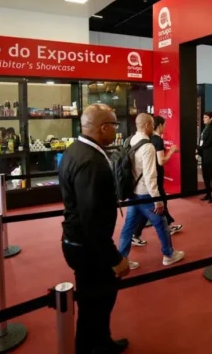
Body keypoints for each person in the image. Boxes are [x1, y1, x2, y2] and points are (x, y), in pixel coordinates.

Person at [58, 104, 129, 354]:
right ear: (104, 128)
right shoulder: (92, 162)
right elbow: (92, 220)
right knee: (96, 304)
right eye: (115, 125)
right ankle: (90, 347)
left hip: (78, 241)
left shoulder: (75, 150)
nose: (116, 129)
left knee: (95, 301)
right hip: (88, 247)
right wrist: (114, 258)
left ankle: (102, 342)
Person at [118, 114, 185, 269]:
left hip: (132, 192)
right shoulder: (148, 147)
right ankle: (169, 255)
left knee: (128, 226)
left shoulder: (129, 141)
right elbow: (150, 176)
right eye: (152, 124)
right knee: (161, 223)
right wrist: (157, 199)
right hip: (145, 193)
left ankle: (122, 260)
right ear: (147, 125)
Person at [131, 116, 182, 247]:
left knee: (142, 212)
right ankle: (168, 249)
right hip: (153, 179)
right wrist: (172, 151)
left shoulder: (144, 139)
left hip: (144, 182)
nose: (165, 127)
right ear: (158, 125)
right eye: (164, 125)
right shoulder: (156, 140)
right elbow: (161, 161)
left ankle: (135, 234)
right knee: (159, 207)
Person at [198, 111, 212, 201]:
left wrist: (198, 147)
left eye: (206, 117)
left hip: (210, 156)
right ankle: (208, 194)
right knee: (205, 176)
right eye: (203, 117)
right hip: (204, 155)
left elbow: (209, 143)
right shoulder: (205, 128)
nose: (204, 119)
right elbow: (202, 141)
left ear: (211, 119)